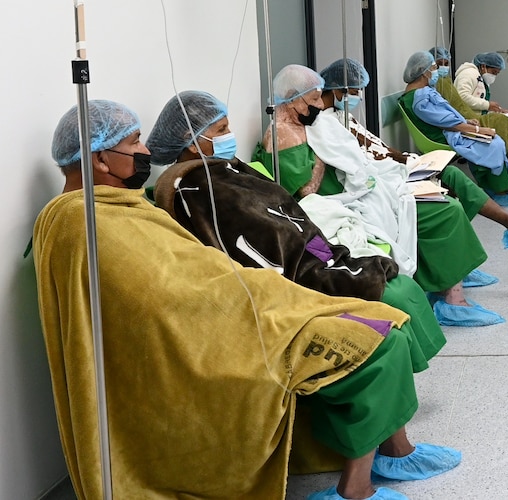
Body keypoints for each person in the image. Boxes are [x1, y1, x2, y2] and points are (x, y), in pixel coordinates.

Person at [35, 100, 461, 500]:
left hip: (250, 295)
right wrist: (265, 294)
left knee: (383, 311)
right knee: (376, 339)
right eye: (134, 143)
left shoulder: (119, 207)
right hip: (221, 329)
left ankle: (395, 451)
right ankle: (356, 488)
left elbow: (193, 263)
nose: (146, 150)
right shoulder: (85, 221)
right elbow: (160, 298)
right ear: (100, 159)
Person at [146, 90, 447, 372]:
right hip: (293, 273)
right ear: (190, 140)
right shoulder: (202, 191)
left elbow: (288, 215)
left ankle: (399, 386)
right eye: (222, 130)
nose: (230, 136)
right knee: (396, 294)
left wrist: (329, 254)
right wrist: (324, 268)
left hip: (307, 247)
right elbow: (264, 245)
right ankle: (392, 393)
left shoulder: (227, 168)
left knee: (395, 278)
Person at [254, 64, 506, 327]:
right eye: (315, 98)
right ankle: (454, 303)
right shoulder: (283, 134)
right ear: (295, 98)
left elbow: (353, 155)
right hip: (336, 204)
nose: (321, 103)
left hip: (358, 190)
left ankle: (452, 279)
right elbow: (305, 192)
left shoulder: (312, 123)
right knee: (446, 209)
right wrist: (323, 153)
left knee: (442, 196)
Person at [318, 57, 508, 251]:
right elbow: (360, 161)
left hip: (396, 163)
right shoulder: (325, 125)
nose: (437, 71)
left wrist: (403, 157)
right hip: (384, 174)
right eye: (356, 91)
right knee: (454, 191)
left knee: (456, 173)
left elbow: (375, 145)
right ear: (340, 90)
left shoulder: (343, 116)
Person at [400, 51, 508, 207]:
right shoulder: (419, 98)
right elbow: (443, 122)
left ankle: (503, 188)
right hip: (443, 135)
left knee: (495, 141)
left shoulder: (423, 92)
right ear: (423, 71)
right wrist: (477, 131)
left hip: (450, 129)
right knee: (493, 145)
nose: (436, 71)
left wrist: (466, 121)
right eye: (434, 67)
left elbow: (443, 116)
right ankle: (503, 191)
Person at [431, 47, 508, 182]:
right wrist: (488, 106)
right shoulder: (468, 74)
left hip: (472, 117)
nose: (494, 76)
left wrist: (497, 109)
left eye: (446, 64)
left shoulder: (474, 77)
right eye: (493, 72)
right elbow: (462, 98)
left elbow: (477, 101)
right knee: (502, 122)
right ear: (483, 66)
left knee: (505, 121)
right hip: (468, 120)